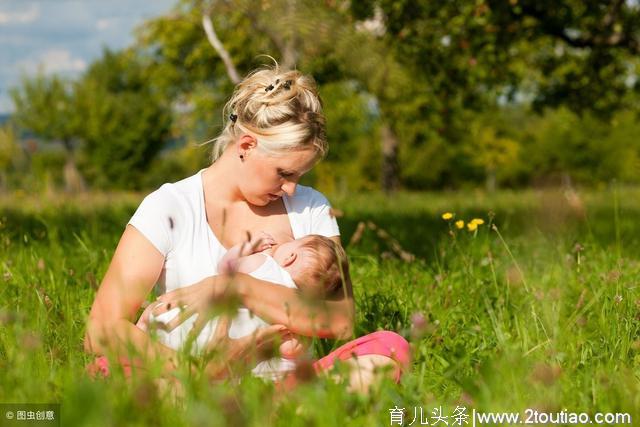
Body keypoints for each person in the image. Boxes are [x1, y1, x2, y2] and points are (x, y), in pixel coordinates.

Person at [84, 65, 409, 392]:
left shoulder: (310, 208)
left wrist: (234, 288)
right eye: (284, 173)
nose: (292, 189)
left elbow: (339, 321)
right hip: (188, 376)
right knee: (108, 369)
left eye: (299, 176)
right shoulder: (170, 206)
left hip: (282, 383)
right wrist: (197, 369)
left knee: (389, 348)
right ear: (246, 146)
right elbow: (102, 329)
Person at [137, 232, 348, 380]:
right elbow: (289, 349)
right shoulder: (300, 311)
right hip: (232, 358)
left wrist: (246, 248)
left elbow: (225, 268)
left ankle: (142, 330)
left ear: (291, 256)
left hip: (193, 330)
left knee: (157, 316)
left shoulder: (265, 263)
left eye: (294, 241)